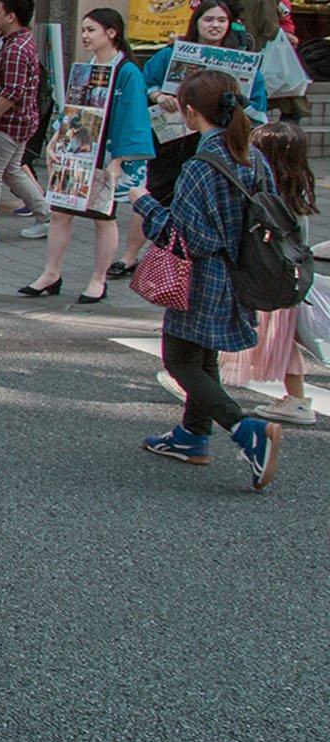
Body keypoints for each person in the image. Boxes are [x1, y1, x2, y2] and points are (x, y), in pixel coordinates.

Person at [129, 69, 282, 490]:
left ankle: (245, 429)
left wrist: (144, 204)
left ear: (190, 112)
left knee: (179, 361)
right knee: (202, 355)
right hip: (240, 273)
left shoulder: (200, 165)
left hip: (200, 277)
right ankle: (192, 436)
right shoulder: (253, 155)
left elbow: (186, 237)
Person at [21, 8, 153, 303]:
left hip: (106, 154)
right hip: (78, 151)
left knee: (102, 217)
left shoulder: (127, 71)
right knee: (60, 212)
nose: (85, 36)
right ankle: (51, 272)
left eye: (91, 30)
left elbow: (133, 118)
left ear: (111, 32)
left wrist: (118, 160)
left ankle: (98, 278)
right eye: (83, 29)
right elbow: (72, 110)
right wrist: (56, 139)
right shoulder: (88, 67)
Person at [219, 120, 318, 425]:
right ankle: (297, 400)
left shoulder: (265, 197)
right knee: (281, 342)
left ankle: (200, 385)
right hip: (286, 281)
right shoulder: (297, 197)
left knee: (230, 325)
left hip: (263, 280)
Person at [0, 0, 53, 241]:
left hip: (7, 124)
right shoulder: (23, 42)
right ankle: (45, 215)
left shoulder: (15, 49)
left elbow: (11, 92)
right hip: (22, 122)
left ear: (11, 17)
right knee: (12, 171)